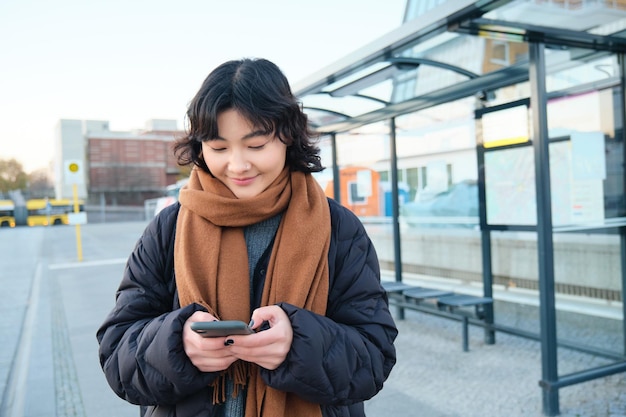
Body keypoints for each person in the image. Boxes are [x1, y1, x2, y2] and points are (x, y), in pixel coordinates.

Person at [96, 57, 398, 417]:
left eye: (256, 146)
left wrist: (298, 344)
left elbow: (374, 355)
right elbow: (117, 354)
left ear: (289, 137)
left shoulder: (339, 228)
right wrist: (178, 345)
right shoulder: (168, 228)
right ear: (200, 145)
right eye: (219, 148)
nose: (237, 165)